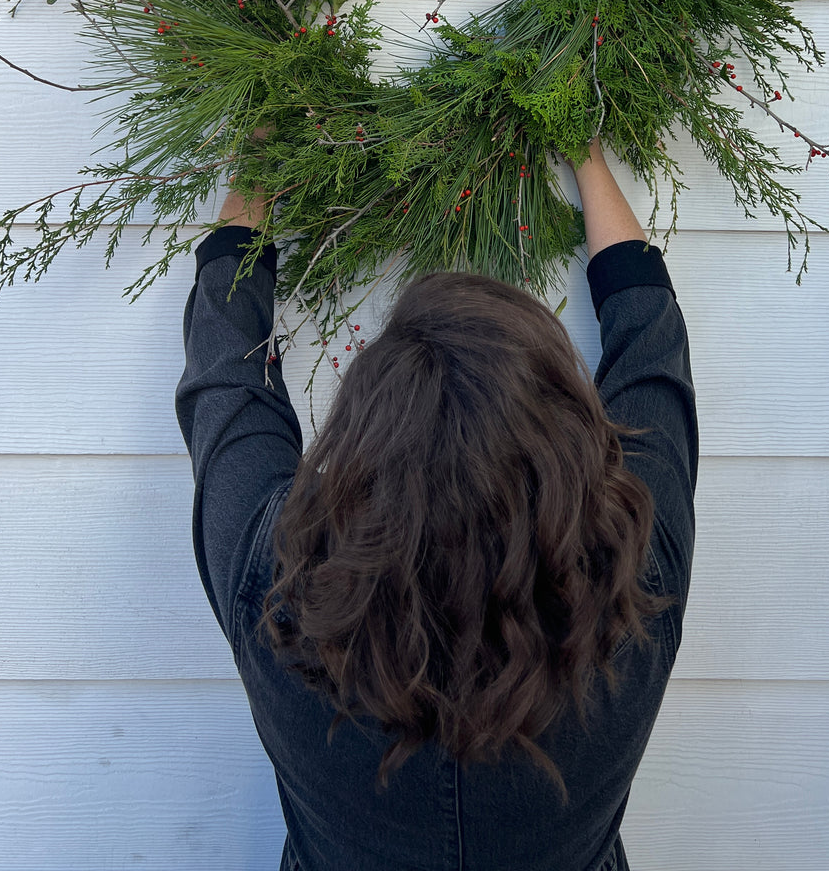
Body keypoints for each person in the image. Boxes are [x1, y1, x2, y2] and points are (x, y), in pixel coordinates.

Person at [175, 138, 698, 871]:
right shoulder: (635, 594)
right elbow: (650, 343)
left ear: (358, 447)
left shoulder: (277, 595)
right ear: (570, 443)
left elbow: (225, 379)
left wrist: (265, 148)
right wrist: (585, 152)